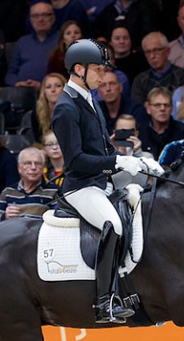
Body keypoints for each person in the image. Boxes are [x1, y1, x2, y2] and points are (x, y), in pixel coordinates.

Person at [51, 39, 163, 324]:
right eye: (98, 70)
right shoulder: (66, 108)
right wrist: (116, 163)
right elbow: (75, 160)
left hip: (102, 182)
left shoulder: (90, 100)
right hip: (81, 186)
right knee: (112, 224)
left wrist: (136, 161)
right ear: (79, 69)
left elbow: (104, 150)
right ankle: (104, 302)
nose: (103, 76)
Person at [0, 146, 58, 223]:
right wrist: (5, 217)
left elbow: (57, 220)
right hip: (13, 233)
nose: (33, 167)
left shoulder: (54, 191)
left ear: (43, 168)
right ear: (19, 168)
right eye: (28, 163)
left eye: (38, 163)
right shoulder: (8, 192)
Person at [5, 1, 58, 90]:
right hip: (21, 92)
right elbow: (10, 74)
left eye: (45, 15)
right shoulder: (22, 42)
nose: (40, 19)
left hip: (51, 91)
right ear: (30, 19)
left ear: (53, 18)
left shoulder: (61, 40)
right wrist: (18, 83)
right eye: (35, 16)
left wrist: (42, 85)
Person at [131, 32, 184, 106]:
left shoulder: (182, 76)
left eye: (156, 50)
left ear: (167, 51)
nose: (152, 56)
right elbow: (137, 106)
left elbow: (183, 105)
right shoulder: (140, 80)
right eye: (148, 52)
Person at [139, 87, 184, 160]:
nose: (162, 109)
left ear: (172, 109)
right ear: (148, 109)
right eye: (157, 105)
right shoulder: (140, 132)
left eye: (166, 105)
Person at [97, 69, 147, 135]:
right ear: (98, 92)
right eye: (103, 85)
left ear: (120, 88)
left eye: (112, 84)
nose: (108, 89)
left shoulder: (136, 109)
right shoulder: (96, 111)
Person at [93, 0, 160, 46]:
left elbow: (149, 34)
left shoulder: (147, 7)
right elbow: (98, 30)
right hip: (113, 57)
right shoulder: (109, 9)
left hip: (139, 56)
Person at [31, 72, 66, 145]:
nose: (53, 90)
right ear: (44, 91)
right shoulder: (37, 113)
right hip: (47, 149)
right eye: (48, 87)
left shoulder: (76, 110)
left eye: (58, 86)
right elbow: (38, 140)